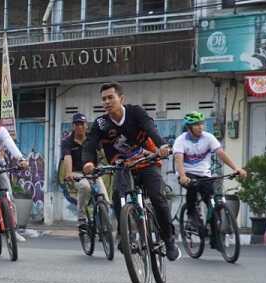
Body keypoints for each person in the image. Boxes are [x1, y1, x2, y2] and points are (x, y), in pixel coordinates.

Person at [81, 82, 178, 261]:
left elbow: (150, 128)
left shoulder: (135, 112)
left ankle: (169, 239)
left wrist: (162, 145)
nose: (107, 102)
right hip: (123, 166)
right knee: (118, 197)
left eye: (111, 97)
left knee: (157, 197)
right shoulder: (101, 123)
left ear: (121, 99)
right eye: (104, 99)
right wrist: (88, 162)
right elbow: (90, 144)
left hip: (147, 162)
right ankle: (126, 235)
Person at [174, 112, 247, 243]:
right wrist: (183, 176)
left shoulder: (208, 138)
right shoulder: (181, 140)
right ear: (189, 127)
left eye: (201, 124)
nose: (200, 127)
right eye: (196, 124)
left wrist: (236, 168)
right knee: (192, 186)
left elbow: (221, 153)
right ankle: (191, 214)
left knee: (211, 202)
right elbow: (178, 159)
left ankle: (215, 236)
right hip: (187, 173)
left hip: (204, 174)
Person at [59, 112, 109, 227]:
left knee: (104, 197)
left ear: (86, 125)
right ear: (73, 126)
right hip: (77, 173)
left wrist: (107, 164)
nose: (79, 127)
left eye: (82, 124)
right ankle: (81, 217)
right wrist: (69, 173)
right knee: (85, 186)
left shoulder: (92, 139)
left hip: (93, 172)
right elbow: (67, 157)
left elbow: (103, 154)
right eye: (77, 124)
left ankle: (105, 227)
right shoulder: (67, 141)